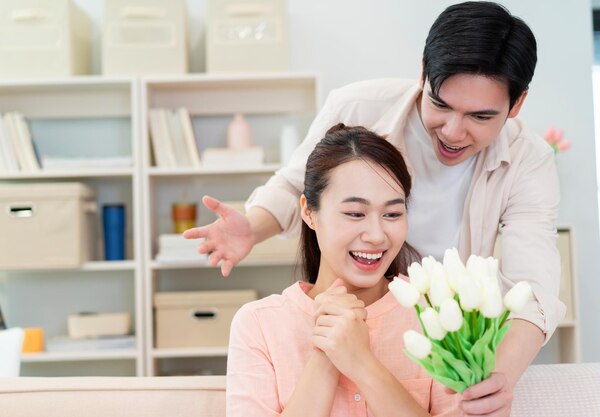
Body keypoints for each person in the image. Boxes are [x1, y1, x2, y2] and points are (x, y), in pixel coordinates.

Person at [185, 2, 565, 416]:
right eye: (440, 104)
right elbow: (300, 182)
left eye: (480, 116)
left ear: (516, 105)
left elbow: (533, 287)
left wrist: (496, 379)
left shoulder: (530, 161)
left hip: (441, 322)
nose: (454, 132)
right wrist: (253, 228)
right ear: (423, 73)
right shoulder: (358, 106)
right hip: (361, 295)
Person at [227, 124, 458, 416]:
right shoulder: (259, 324)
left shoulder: (437, 313)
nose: (376, 235)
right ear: (309, 212)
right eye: (354, 214)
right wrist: (327, 351)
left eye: (392, 214)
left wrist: (361, 362)